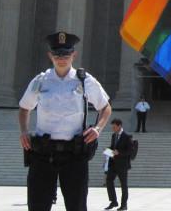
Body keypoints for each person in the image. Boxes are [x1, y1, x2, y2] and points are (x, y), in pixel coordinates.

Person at [19, 31, 112, 211]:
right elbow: (24, 108)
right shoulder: (41, 81)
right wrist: (24, 130)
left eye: (66, 54)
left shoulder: (85, 81)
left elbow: (105, 107)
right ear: (50, 56)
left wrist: (98, 129)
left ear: (73, 55)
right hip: (43, 154)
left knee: (76, 206)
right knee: (37, 205)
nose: (61, 58)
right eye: (57, 54)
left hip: (74, 154)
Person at [104, 119, 134, 210]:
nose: (113, 129)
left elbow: (130, 151)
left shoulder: (127, 136)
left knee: (123, 185)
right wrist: (108, 150)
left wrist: (119, 153)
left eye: (114, 127)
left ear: (119, 126)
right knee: (109, 181)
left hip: (122, 165)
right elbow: (113, 147)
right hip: (113, 163)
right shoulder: (114, 135)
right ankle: (113, 201)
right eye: (112, 127)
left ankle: (124, 205)